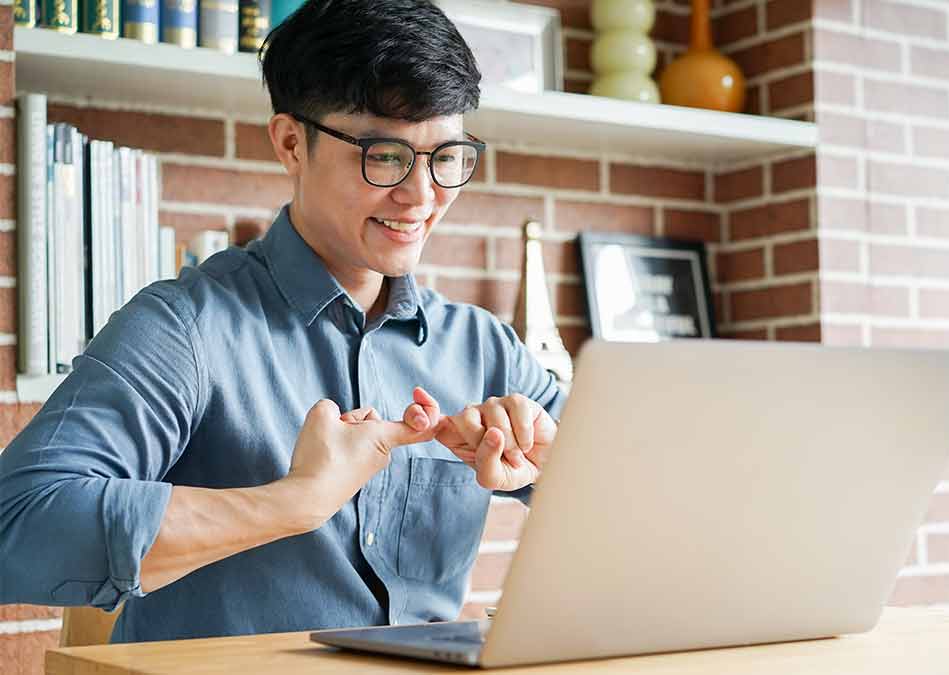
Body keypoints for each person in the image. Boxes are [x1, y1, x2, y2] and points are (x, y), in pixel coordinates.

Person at [0, 0, 563, 643]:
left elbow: (644, 514)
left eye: (448, 158)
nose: (422, 196)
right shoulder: (184, 327)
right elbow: (17, 523)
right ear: (292, 143)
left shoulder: (485, 348)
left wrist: (551, 468)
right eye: (385, 156)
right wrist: (291, 503)